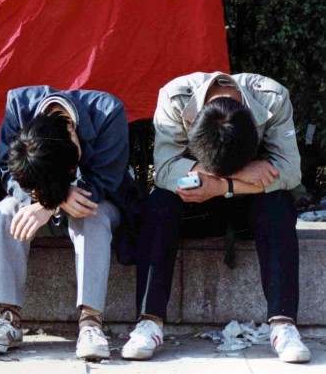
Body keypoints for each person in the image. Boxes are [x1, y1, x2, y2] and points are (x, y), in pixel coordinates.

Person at [122, 72, 310, 364]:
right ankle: (149, 322)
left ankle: (283, 325)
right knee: (159, 202)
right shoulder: (174, 97)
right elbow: (164, 169)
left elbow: (290, 171)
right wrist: (234, 173)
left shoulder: (272, 97)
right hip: (196, 203)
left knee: (279, 203)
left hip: (250, 207)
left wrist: (225, 185)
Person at [0, 86, 135, 360]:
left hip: (99, 198)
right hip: (36, 194)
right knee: (6, 209)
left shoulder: (109, 111)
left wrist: (52, 200)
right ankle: (8, 318)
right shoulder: (18, 104)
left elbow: (107, 178)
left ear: (73, 131)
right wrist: (50, 199)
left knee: (91, 216)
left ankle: (90, 322)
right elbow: (5, 168)